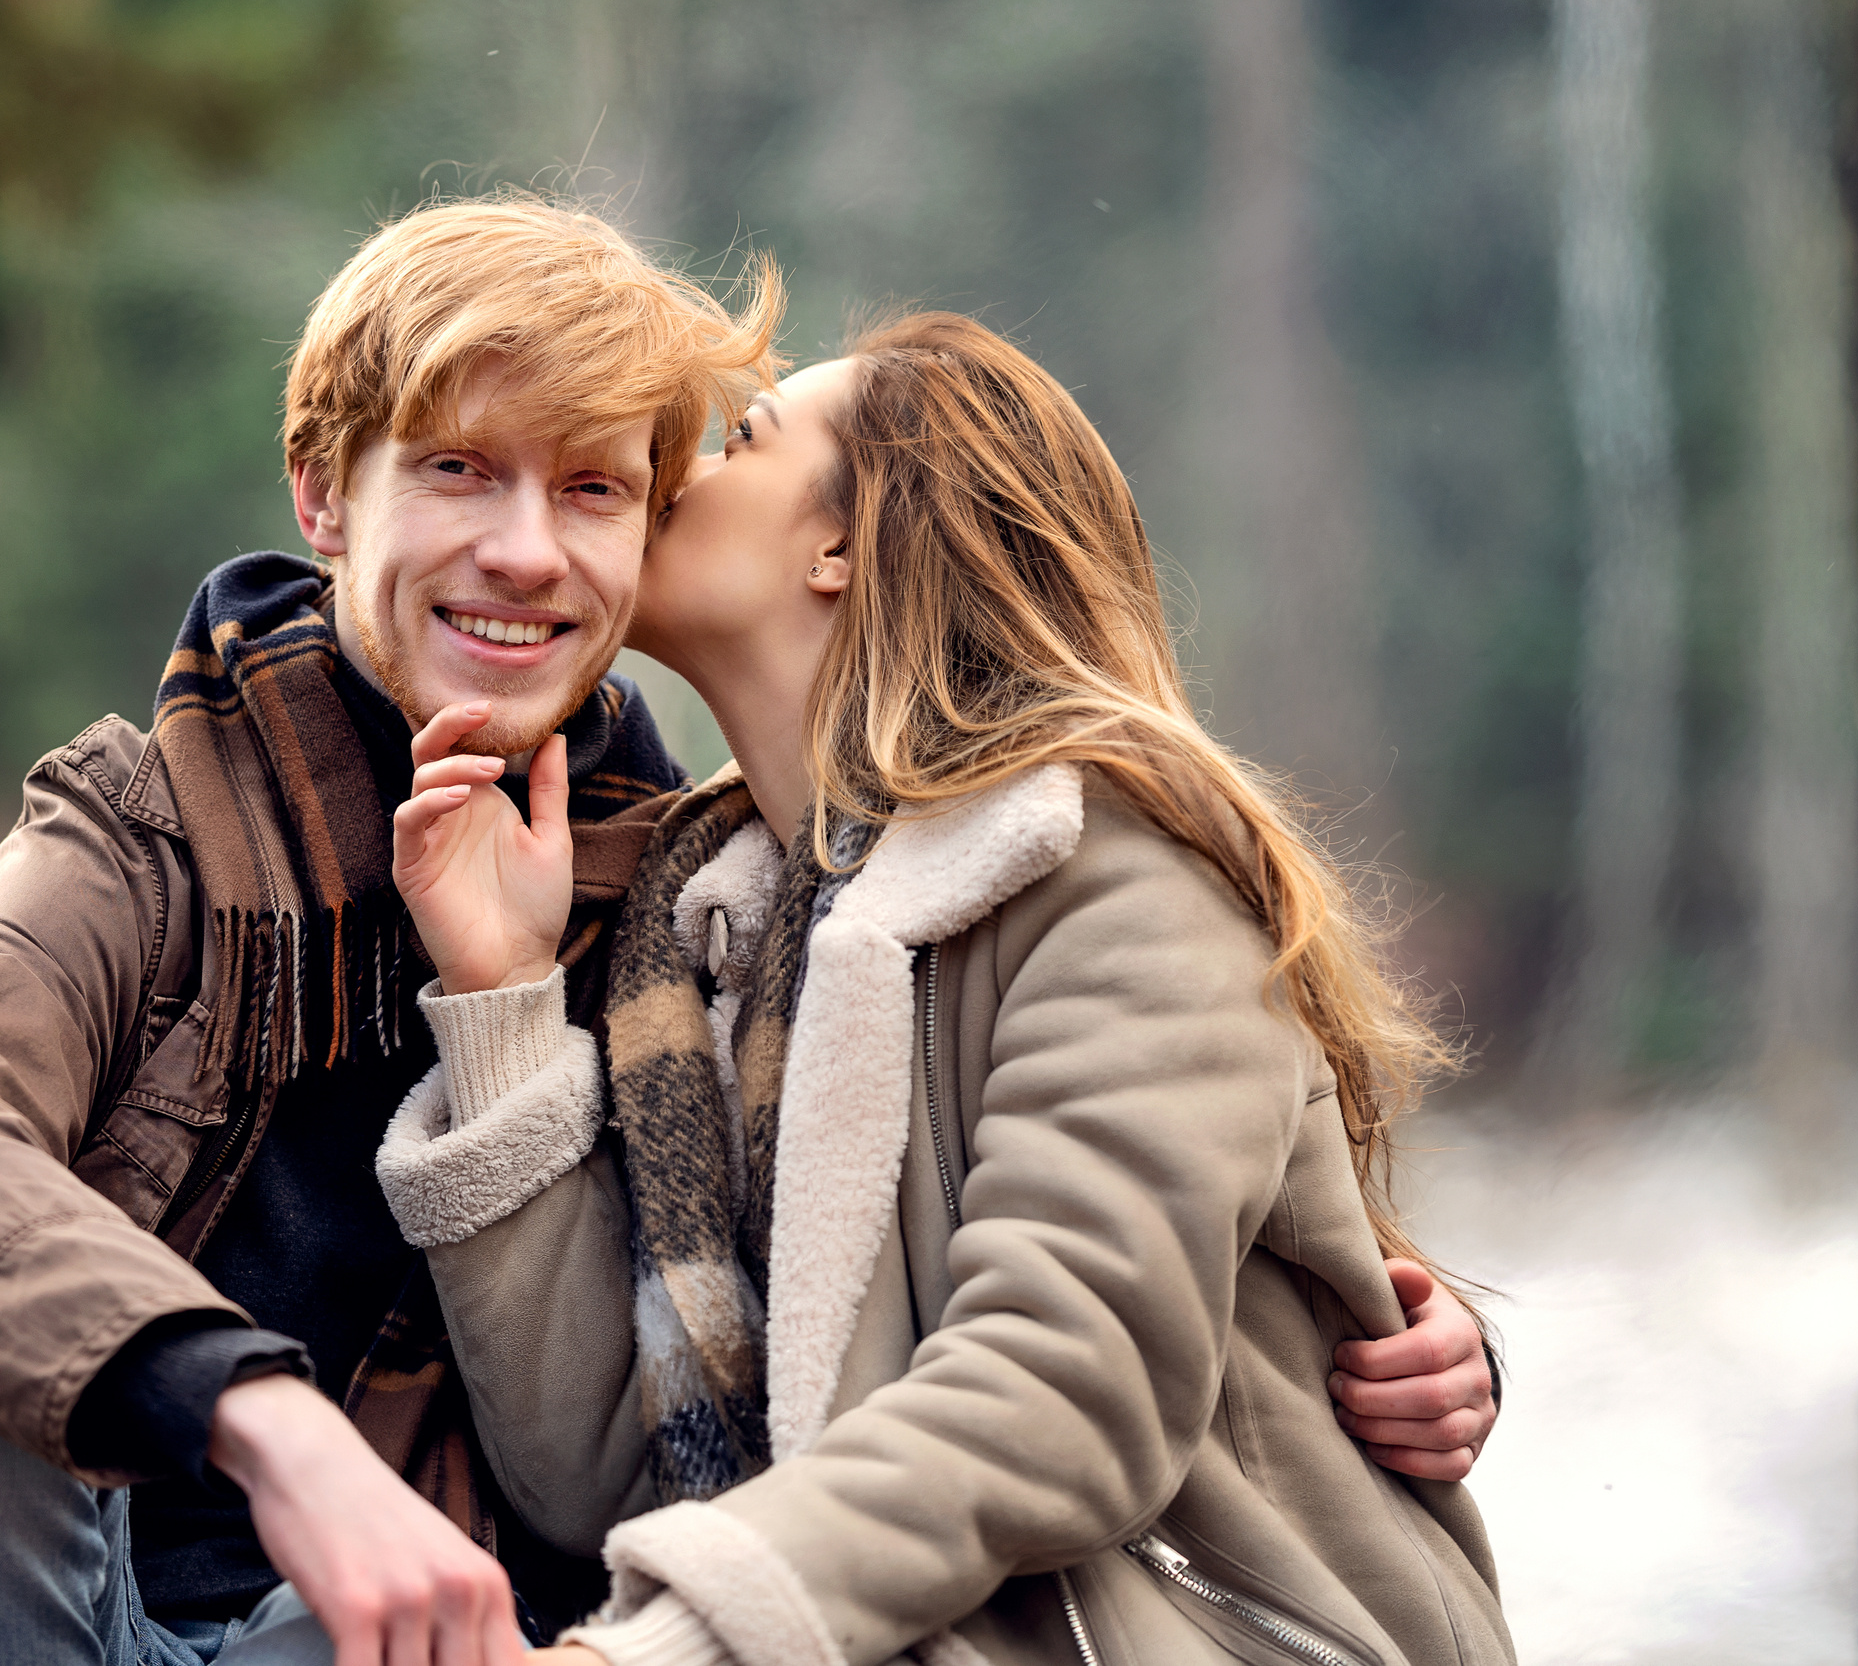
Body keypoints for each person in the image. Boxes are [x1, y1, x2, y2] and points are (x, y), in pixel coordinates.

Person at [379, 310, 1510, 1666]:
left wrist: (653, 1655)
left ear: (841, 547)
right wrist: (502, 998)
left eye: (743, 440)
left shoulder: (1119, 883)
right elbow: (615, 1473)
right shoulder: (708, 938)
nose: (678, 474)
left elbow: (1064, 1391)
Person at [0, 193, 781, 1666]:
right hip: (49, 1597)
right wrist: (261, 1419)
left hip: (393, 1635)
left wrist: (506, 1006)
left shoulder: (695, 912)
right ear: (323, 497)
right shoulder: (147, 828)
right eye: (459, 470)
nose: (526, 551)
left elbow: (647, 1469)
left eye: (593, 490)